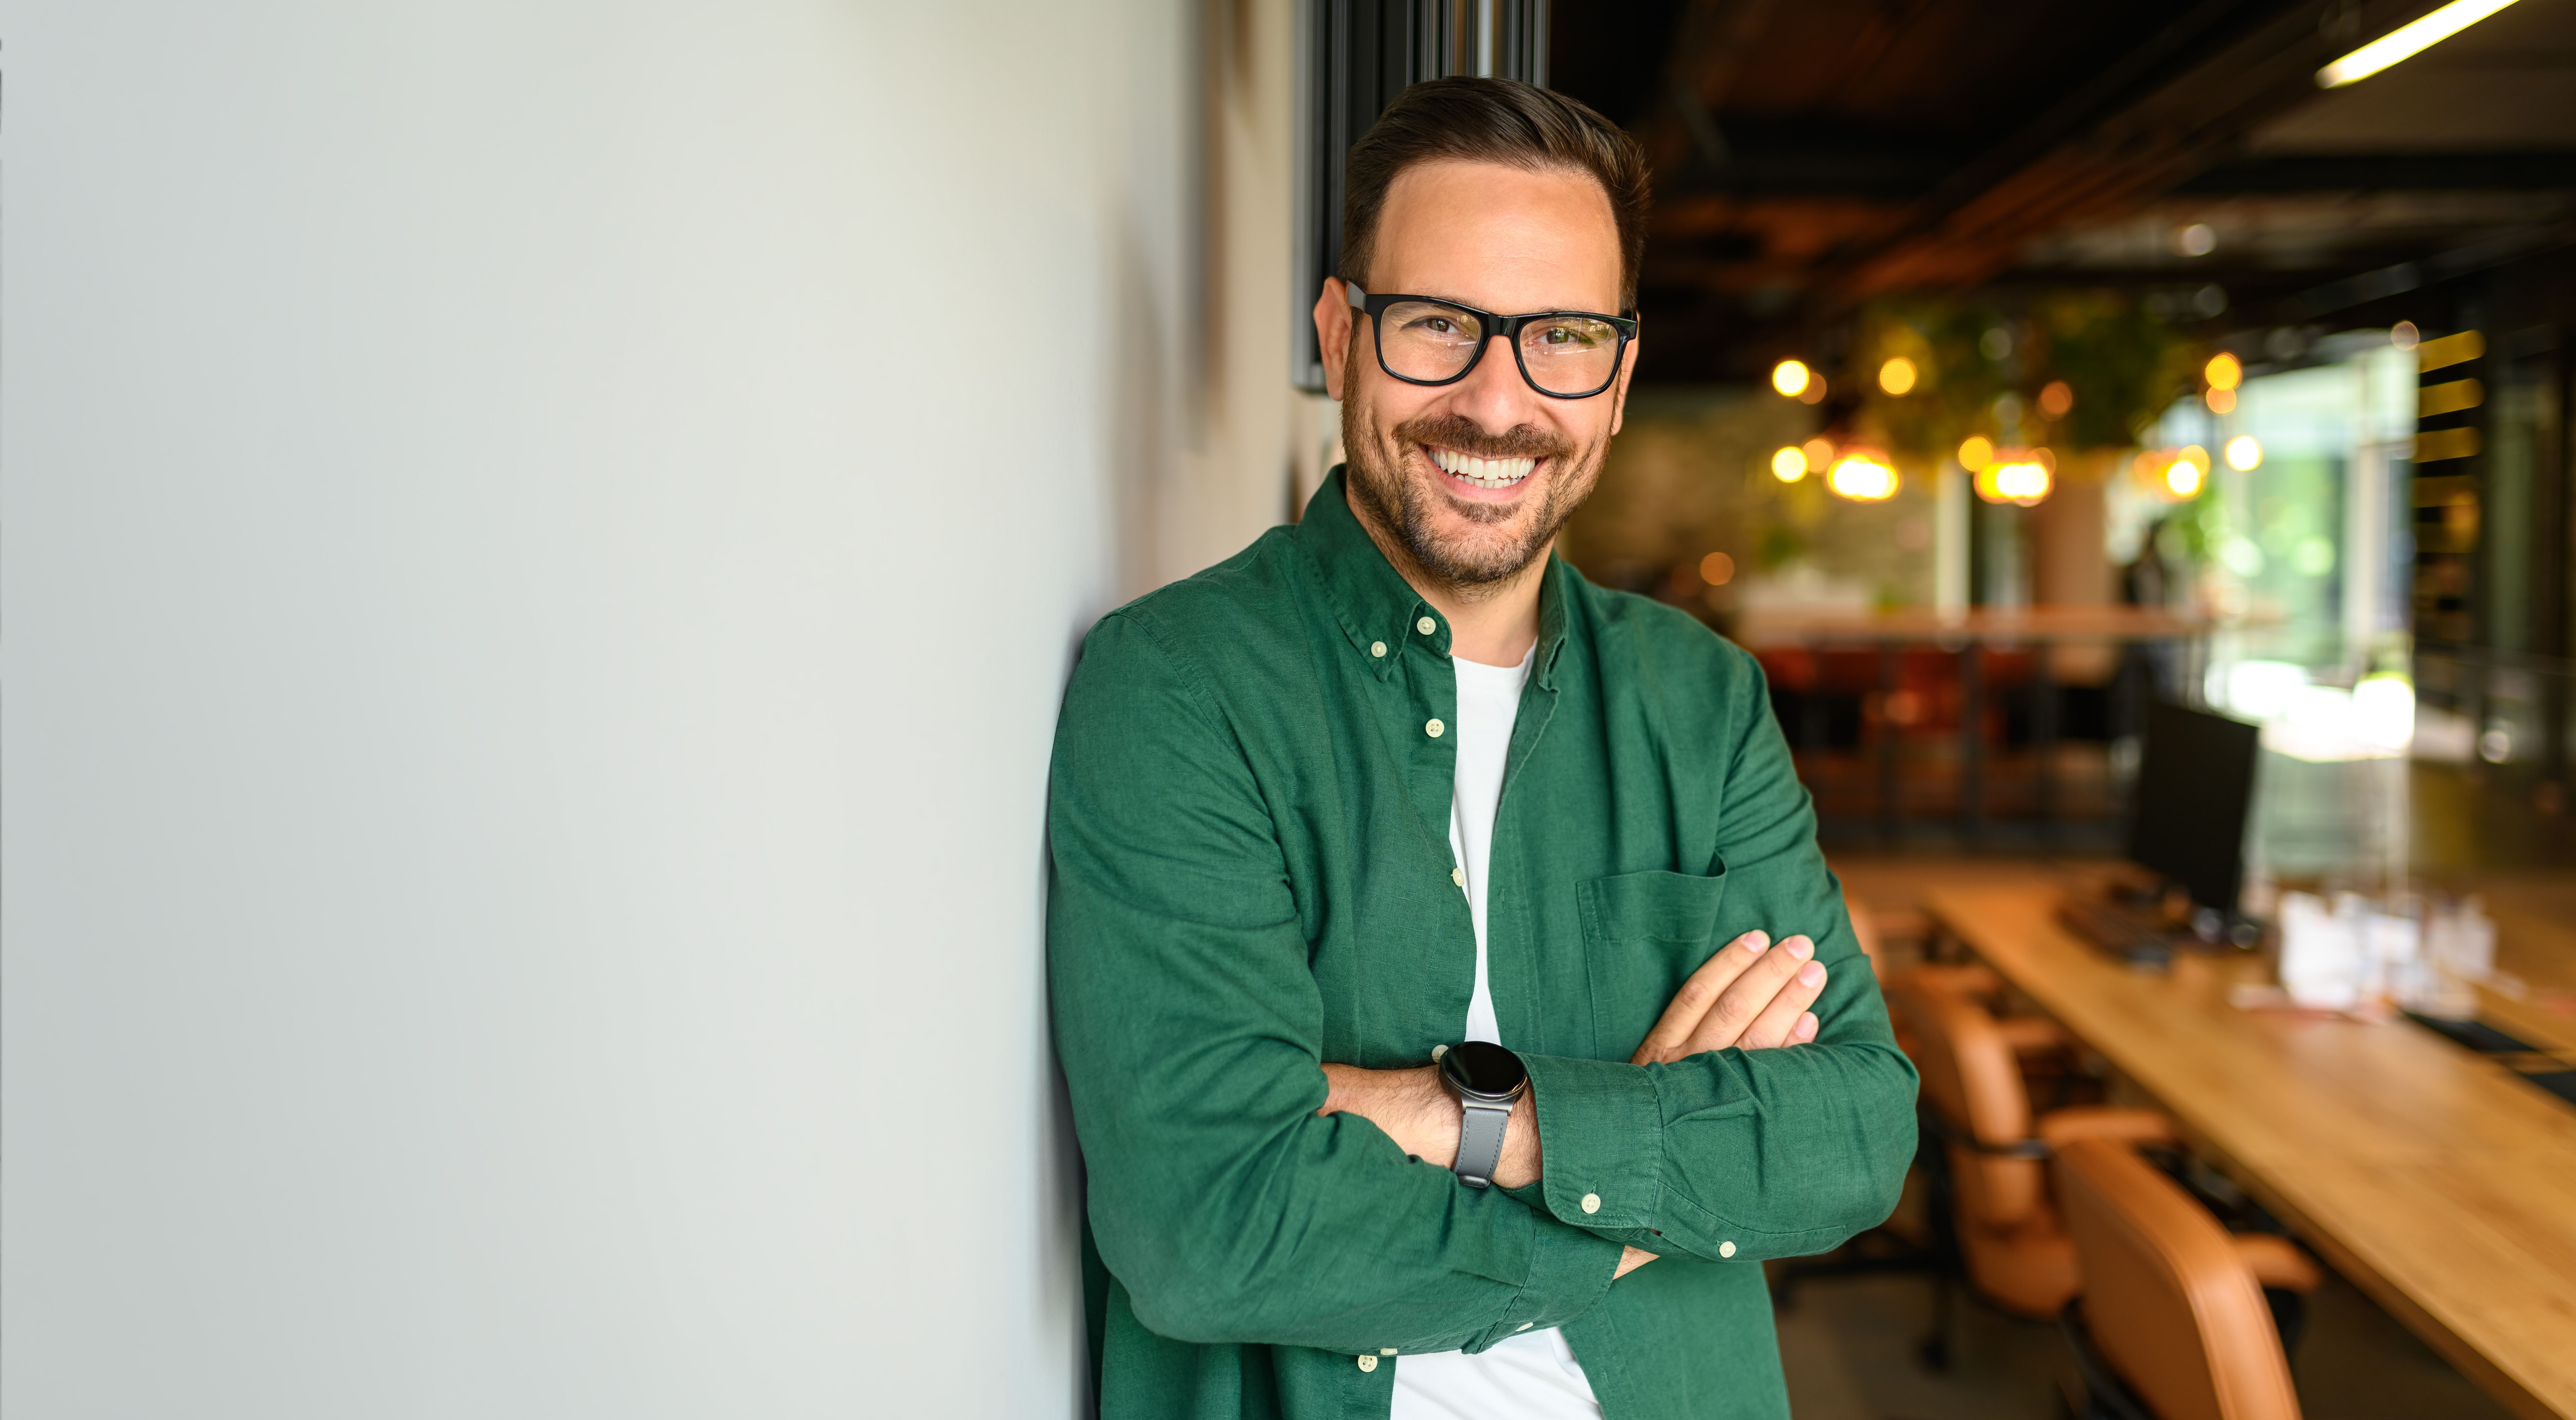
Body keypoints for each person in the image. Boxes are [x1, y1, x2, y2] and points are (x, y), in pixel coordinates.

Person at [1048, 77, 1916, 1420]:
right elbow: (1206, 1223)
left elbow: (1855, 1131)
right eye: (1438, 325)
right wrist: (1642, 1186)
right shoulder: (1181, 686)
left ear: (1620, 379)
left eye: (1562, 338)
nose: (1497, 405)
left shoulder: (1703, 703)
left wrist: (1471, 1119)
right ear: (1340, 338)